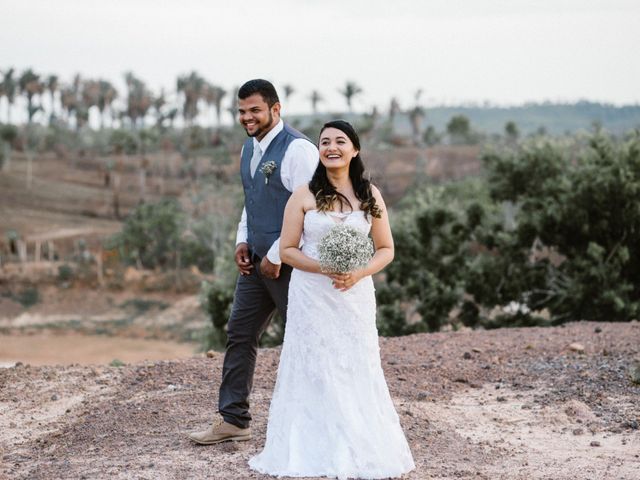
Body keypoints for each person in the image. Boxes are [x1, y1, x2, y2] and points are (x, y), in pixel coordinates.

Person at [249, 120, 415, 478]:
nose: (331, 147)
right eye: (324, 142)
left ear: (354, 149)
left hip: (354, 296)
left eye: (340, 141)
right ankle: (312, 448)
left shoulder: (370, 194)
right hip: (312, 295)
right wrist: (323, 267)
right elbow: (289, 250)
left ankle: (359, 443)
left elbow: (386, 249)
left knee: (355, 364)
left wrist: (359, 271)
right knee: (315, 366)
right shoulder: (304, 195)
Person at [188, 79, 319, 445]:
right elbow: (252, 200)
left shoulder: (299, 150)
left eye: (254, 110)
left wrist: (278, 255)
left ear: (276, 110)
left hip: (292, 265)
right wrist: (242, 240)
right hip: (256, 264)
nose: (247, 117)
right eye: (242, 111)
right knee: (239, 333)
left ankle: (317, 422)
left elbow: (311, 211)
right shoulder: (248, 149)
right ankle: (233, 419)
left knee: (307, 339)